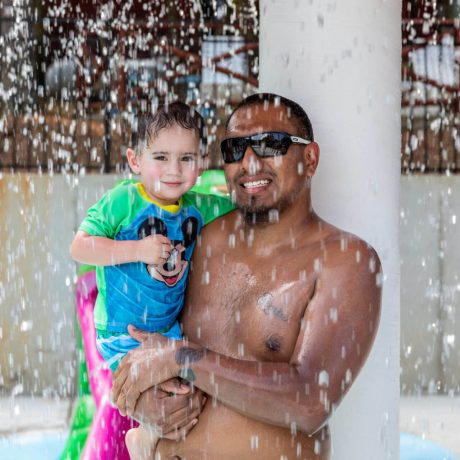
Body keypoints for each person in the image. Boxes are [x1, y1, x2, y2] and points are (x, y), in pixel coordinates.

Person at [111, 93, 383, 459]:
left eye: (270, 144)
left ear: (310, 157)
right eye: (236, 148)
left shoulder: (344, 261)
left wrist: (183, 359)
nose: (250, 162)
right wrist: (144, 402)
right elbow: (132, 336)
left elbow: (309, 404)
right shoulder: (200, 239)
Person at [70, 101, 234, 459]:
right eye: (160, 157)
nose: (173, 170)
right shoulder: (123, 202)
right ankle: (145, 437)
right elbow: (80, 247)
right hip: (121, 334)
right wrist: (137, 250)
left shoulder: (199, 208)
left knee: (193, 396)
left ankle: (154, 441)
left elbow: (240, 207)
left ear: (201, 163)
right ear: (135, 160)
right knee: (164, 397)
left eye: (186, 159)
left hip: (168, 334)